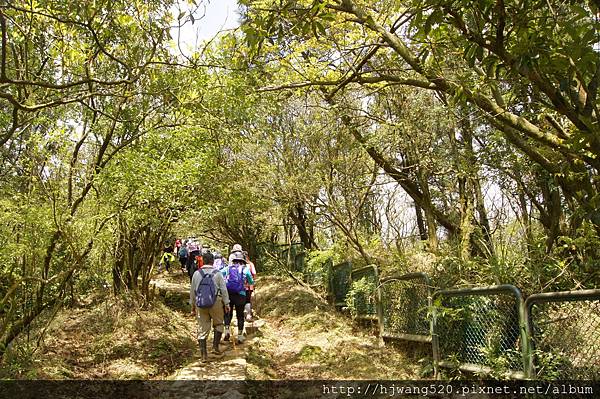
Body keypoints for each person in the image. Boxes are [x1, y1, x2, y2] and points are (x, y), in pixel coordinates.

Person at [190, 250, 230, 363]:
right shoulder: (217, 273)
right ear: (212, 261)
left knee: (203, 328)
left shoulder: (196, 274)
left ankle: (203, 355)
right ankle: (215, 348)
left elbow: (192, 291)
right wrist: (226, 304)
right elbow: (223, 289)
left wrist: (192, 306)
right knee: (218, 324)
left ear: (203, 261)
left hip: (201, 303)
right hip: (216, 302)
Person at [223, 251, 254, 344]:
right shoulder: (245, 269)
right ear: (242, 261)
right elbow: (251, 281)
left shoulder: (228, 268)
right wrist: (247, 283)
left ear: (234, 260)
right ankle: (240, 336)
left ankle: (227, 331)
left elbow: (220, 274)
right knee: (240, 315)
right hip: (241, 294)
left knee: (228, 313)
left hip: (229, 293)